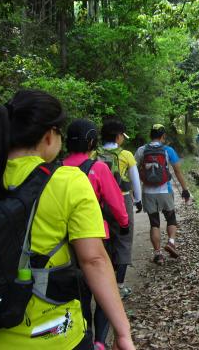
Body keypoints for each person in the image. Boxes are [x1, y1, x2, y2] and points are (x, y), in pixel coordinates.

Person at [0, 90, 134, 350]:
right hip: (58, 336)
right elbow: (93, 259)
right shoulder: (67, 181)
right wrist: (122, 331)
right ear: (49, 136)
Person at [63, 119, 129, 348]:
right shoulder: (97, 168)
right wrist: (124, 223)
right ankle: (100, 341)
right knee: (102, 289)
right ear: (92, 141)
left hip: (64, 244)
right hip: (97, 237)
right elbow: (115, 202)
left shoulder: (57, 167)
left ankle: (84, 337)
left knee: (79, 293)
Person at [135, 124, 190, 265]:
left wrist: (136, 193)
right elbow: (177, 171)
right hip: (165, 191)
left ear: (150, 135)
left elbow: (134, 171)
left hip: (148, 192)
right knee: (171, 219)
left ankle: (158, 254)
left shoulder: (141, 150)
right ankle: (171, 242)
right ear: (163, 136)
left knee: (154, 223)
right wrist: (185, 189)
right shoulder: (168, 150)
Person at [99, 119, 142, 297]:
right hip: (122, 201)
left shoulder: (94, 154)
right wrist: (138, 199)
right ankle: (119, 286)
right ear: (118, 137)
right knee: (124, 242)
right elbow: (135, 180)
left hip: (99, 203)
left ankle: (104, 283)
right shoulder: (126, 155)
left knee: (105, 242)